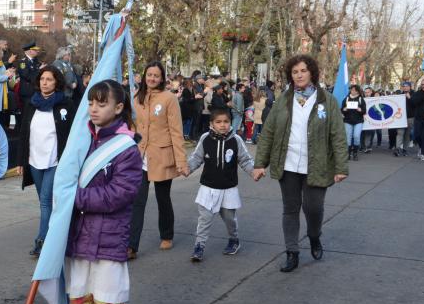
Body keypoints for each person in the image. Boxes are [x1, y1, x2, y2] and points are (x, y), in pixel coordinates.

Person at [65, 79, 142, 304]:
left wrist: (77, 197)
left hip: (109, 234)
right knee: (79, 299)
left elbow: (119, 194)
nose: (94, 109)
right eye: (91, 103)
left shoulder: (126, 148)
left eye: (102, 103)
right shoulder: (81, 139)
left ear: (119, 107)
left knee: (108, 301)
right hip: (78, 234)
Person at [252, 54, 348, 273]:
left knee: (313, 208)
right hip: (288, 164)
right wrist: (260, 164)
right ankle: (292, 252)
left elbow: (338, 136)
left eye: (303, 70)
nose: (299, 75)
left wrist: (341, 167)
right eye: (295, 72)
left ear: (311, 72)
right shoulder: (283, 100)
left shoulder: (327, 101)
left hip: (317, 164)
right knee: (290, 209)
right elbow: (268, 132)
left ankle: (314, 236)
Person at [129, 61, 186, 259]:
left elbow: (176, 131)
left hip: (162, 155)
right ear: (144, 76)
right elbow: (132, 126)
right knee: (137, 201)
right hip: (140, 156)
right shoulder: (136, 97)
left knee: (163, 198)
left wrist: (181, 161)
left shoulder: (169, 98)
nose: (152, 78)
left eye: (156, 75)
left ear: (162, 78)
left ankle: (167, 234)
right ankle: (131, 246)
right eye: (149, 75)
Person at [16, 65, 74, 256]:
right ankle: (60, 235)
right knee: (45, 201)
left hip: (55, 161)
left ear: (56, 82)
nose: (45, 82)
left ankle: (43, 242)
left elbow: (72, 135)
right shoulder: (32, 103)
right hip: (34, 160)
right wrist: (21, 161)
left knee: (46, 202)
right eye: (42, 79)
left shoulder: (65, 104)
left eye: (49, 79)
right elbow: (24, 133)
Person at [185, 107, 256, 262]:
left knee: (230, 219)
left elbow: (245, 160)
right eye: (218, 122)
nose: (222, 125)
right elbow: (196, 158)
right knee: (204, 219)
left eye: (226, 121)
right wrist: (187, 169)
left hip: (228, 189)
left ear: (230, 123)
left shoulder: (236, 140)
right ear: (211, 123)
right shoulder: (205, 138)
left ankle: (234, 240)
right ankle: (199, 246)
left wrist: (254, 172)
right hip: (208, 188)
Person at [341, 84, 366, 161]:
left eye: (354, 90)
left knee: (356, 136)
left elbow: (364, 111)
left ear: (357, 91)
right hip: (348, 121)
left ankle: (355, 153)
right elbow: (342, 109)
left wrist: (360, 110)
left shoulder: (361, 99)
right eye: (351, 90)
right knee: (348, 138)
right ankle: (348, 153)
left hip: (358, 121)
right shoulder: (346, 99)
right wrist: (344, 109)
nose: (352, 91)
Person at [17, 41, 43, 108]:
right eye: (35, 50)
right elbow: (27, 76)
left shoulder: (36, 61)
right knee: (26, 114)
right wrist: (39, 70)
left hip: (36, 91)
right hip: (27, 92)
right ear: (30, 51)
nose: (37, 51)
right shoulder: (22, 62)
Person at [393, 81, 415, 157]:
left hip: (410, 117)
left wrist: (410, 98)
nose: (405, 87)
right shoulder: (400, 94)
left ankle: (405, 149)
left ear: (410, 87)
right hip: (401, 118)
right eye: (404, 86)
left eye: (407, 86)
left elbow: (416, 104)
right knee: (400, 133)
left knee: (407, 135)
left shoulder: (414, 94)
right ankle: (397, 148)